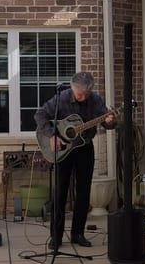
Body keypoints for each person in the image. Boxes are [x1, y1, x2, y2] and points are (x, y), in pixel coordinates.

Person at [34, 72, 116, 249]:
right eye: (80, 94)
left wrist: (110, 121)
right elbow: (40, 115)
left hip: (84, 149)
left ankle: (78, 234)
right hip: (62, 149)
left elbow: (106, 123)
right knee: (60, 193)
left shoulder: (95, 100)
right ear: (72, 89)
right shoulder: (61, 98)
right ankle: (56, 236)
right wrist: (52, 135)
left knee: (83, 193)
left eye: (86, 93)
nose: (83, 97)